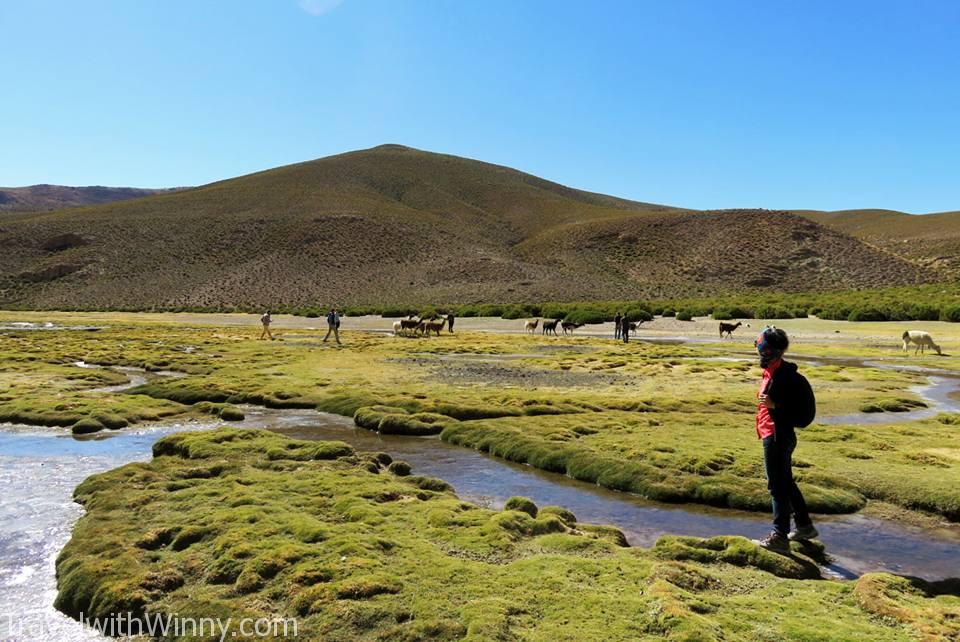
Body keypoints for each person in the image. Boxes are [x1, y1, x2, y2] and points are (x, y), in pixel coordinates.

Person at [751, 326, 818, 553]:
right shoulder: (775, 371)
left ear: (767, 351)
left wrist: (775, 406)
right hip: (776, 434)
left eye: (760, 347)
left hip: (777, 436)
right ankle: (804, 526)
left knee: (777, 487)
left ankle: (780, 536)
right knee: (786, 483)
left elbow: (784, 407)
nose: (759, 351)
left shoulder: (782, 376)